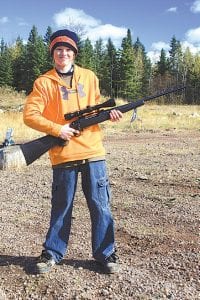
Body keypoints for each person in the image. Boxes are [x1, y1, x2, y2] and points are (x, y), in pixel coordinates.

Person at [23, 29, 123, 274]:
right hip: (63, 154)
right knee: (61, 207)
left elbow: (96, 108)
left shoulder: (89, 77)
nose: (63, 54)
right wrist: (58, 129)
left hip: (93, 152)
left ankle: (106, 255)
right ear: (53, 53)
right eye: (59, 50)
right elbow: (30, 115)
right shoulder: (44, 82)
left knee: (101, 206)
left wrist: (110, 115)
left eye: (68, 50)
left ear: (74, 53)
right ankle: (52, 253)